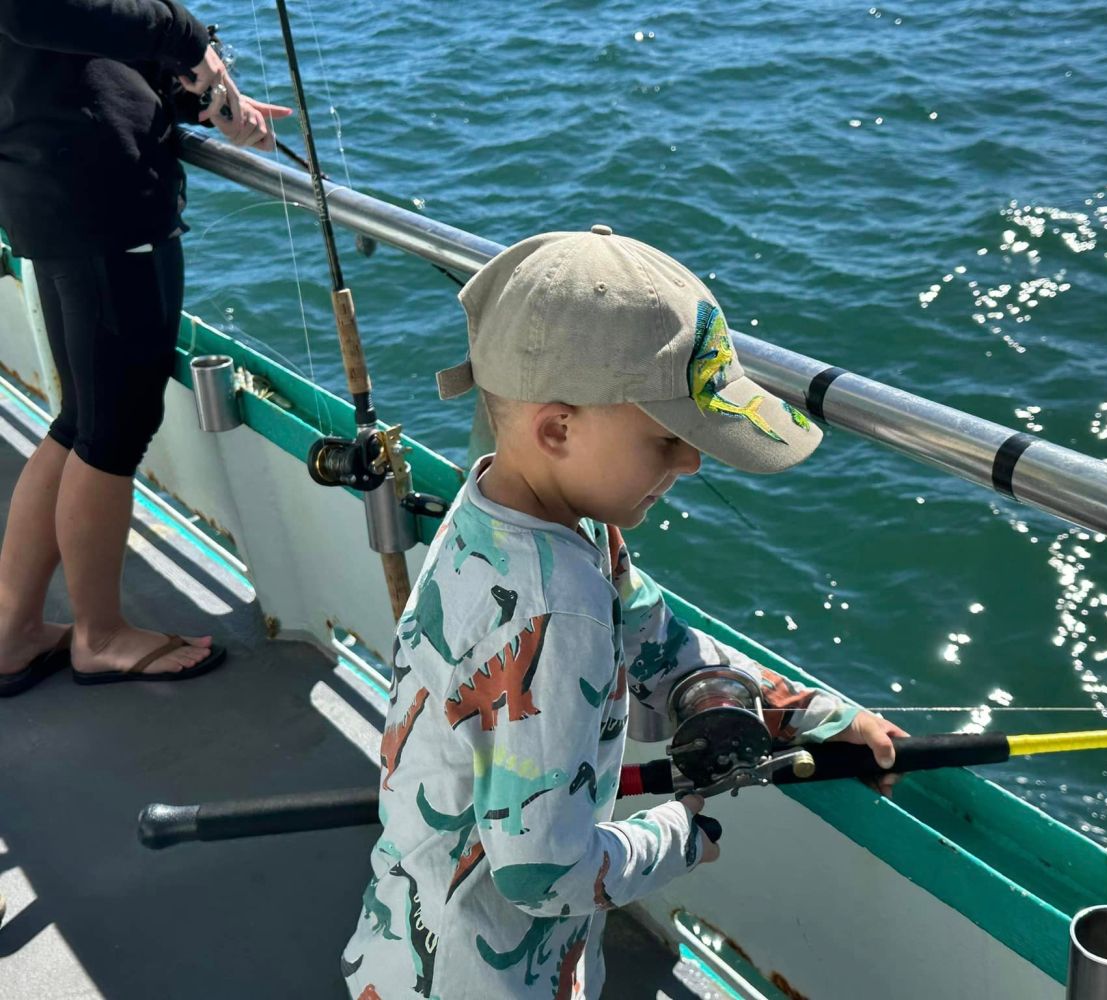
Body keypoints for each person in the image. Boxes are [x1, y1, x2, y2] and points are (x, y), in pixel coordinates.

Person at [341, 225, 908, 999]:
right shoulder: (554, 612)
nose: (691, 460)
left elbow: (657, 645)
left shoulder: (515, 510)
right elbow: (543, 873)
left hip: (413, 930)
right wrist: (683, 835)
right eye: (666, 437)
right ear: (557, 428)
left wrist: (808, 713)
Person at [0, 1, 289, 695]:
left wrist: (190, 95)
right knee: (113, 429)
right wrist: (188, 42)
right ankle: (99, 637)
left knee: (80, 423)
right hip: (100, 194)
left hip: (55, 179)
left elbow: (71, 49)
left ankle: (12, 633)